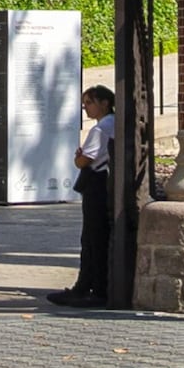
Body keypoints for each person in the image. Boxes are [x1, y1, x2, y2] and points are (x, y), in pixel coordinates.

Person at [53, 82, 123, 307]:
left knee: (92, 238)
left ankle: (90, 288)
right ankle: (93, 285)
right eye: (84, 104)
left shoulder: (101, 128)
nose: (86, 108)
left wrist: (78, 157)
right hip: (107, 182)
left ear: (105, 103)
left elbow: (84, 160)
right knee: (98, 237)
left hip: (96, 183)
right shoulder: (115, 124)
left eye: (89, 103)